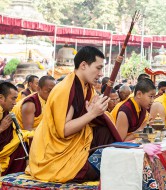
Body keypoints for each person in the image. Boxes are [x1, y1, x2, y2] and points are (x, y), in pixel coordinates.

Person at [26, 46, 121, 182]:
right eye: (98, 68)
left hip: (76, 143)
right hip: (54, 156)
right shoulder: (66, 89)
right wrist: (92, 114)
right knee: (100, 168)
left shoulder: (86, 87)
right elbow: (63, 130)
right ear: (83, 65)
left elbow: (89, 116)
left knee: (105, 132)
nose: (101, 74)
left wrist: (95, 111)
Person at [0, 82, 27, 176]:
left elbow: (13, 133)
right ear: (1, 98)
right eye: (13, 98)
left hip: (7, 150)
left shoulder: (6, 112)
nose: (15, 103)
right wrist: (1, 128)